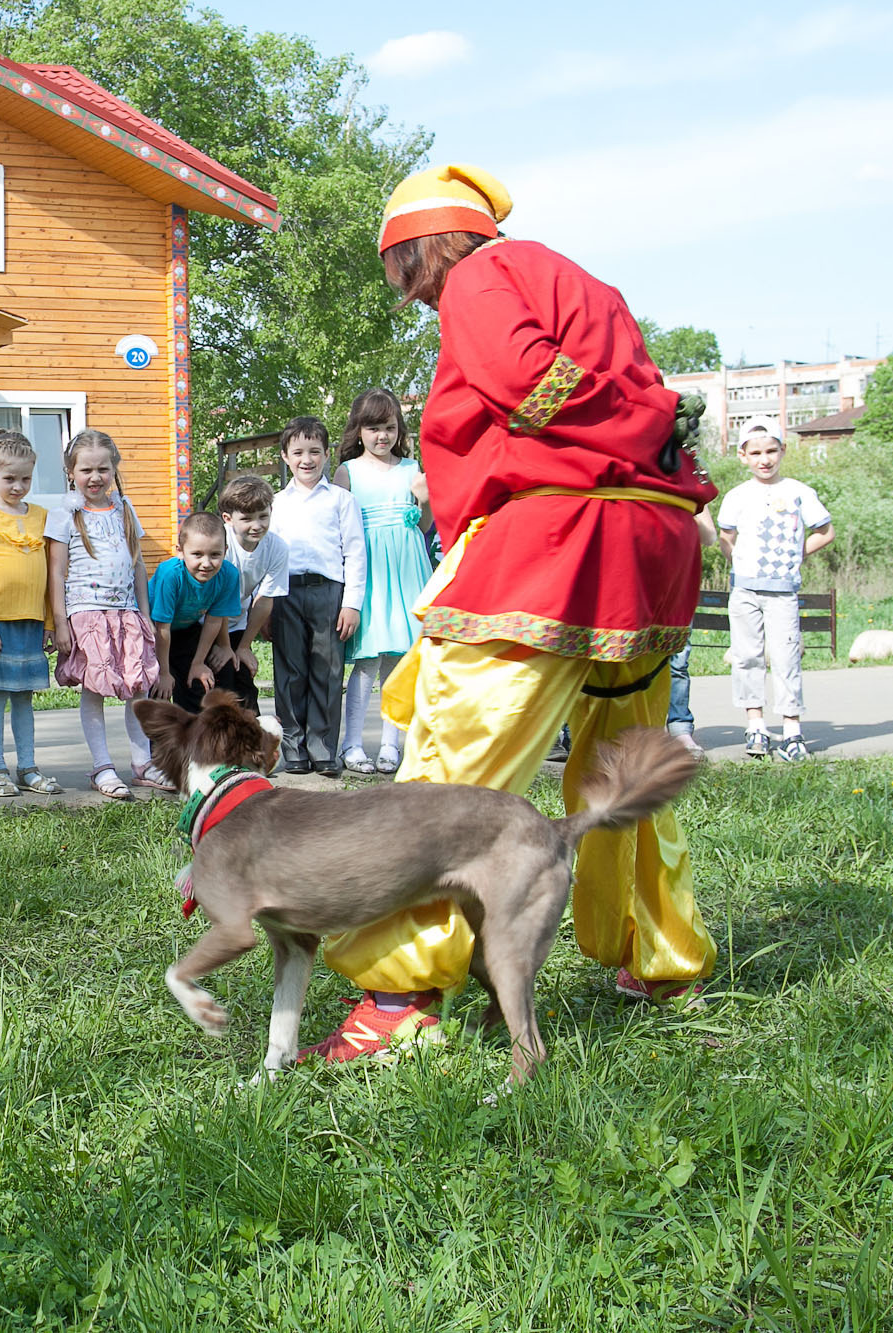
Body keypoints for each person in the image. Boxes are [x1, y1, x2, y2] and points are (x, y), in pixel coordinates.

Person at [308, 163, 720, 1063]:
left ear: (423, 252)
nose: (416, 299)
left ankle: (400, 996)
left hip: (557, 541)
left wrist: (634, 416)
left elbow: (527, 378)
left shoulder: (482, 276)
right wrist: (651, 422)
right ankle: (663, 955)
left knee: (455, 767)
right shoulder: (582, 281)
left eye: (404, 276)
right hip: (650, 537)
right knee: (623, 765)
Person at [45, 430, 161, 799]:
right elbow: (56, 572)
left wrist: (145, 616)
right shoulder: (65, 513)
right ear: (70, 471)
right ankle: (102, 766)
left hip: (126, 614)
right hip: (87, 615)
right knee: (95, 690)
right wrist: (60, 623)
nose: (95, 477)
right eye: (86, 470)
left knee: (138, 689)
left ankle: (143, 762)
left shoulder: (125, 509)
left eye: (103, 469)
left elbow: (138, 566)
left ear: (114, 469)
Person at [717, 419, 834, 762]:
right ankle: (755, 724)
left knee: (785, 657)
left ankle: (792, 731)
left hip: (782, 591)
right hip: (745, 591)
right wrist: (737, 562)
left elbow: (825, 532)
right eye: (756, 453)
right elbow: (726, 537)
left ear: (782, 451)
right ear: (743, 456)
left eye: (770, 451)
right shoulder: (738, 495)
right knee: (747, 655)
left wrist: (796, 556)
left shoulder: (799, 492)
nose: (764, 459)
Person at [334, 388, 433, 774]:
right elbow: (337, 530)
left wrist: (425, 501)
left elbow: (424, 527)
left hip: (408, 570)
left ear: (399, 429)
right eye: (373, 428)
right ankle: (352, 744)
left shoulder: (411, 469)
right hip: (369, 573)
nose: (381, 436)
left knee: (399, 661)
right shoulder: (348, 472)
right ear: (359, 431)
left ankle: (391, 744)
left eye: (389, 427)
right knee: (366, 661)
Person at [267, 416, 366, 777]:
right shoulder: (276, 503)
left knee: (326, 670)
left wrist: (351, 602)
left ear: (327, 454)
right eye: (298, 452)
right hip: (286, 592)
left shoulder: (341, 500)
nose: (306, 460)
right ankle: (294, 748)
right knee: (290, 671)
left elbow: (355, 552)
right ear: (285, 456)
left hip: (329, 592)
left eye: (314, 452)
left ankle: (323, 747)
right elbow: (269, 553)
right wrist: (264, 608)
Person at [0, 430, 62, 798]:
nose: (18, 486)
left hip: (32, 622)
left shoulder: (42, 516)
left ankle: (28, 766)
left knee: (24, 696)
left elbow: (52, 574)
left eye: (25, 478)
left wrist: (52, 623)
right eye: (10, 478)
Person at [147, 511, 239, 712]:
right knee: (158, 690)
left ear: (225, 550)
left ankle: (194, 734)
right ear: (180, 551)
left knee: (196, 683)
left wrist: (197, 663)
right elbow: (162, 629)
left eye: (215, 555)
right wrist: (163, 672)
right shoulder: (170, 575)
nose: (206, 563)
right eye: (197, 554)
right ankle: (155, 741)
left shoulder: (228, 574)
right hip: (150, 630)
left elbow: (214, 621)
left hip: (185, 629)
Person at [213, 474, 289, 714]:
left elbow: (264, 601)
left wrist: (243, 646)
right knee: (220, 680)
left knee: (244, 685)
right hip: (205, 622)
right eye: (246, 519)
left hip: (236, 623)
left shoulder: (276, 547)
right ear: (228, 519)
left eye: (263, 516)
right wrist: (224, 647)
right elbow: (217, 603)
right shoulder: (220, 544)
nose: (257, 525)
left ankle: (250, 747)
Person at [665, 506, 720, 759]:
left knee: (677, 663)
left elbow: (709, 537)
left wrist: (682, 509)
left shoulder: (687, 475)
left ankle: (679, 728)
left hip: (676, 584)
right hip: (636, 582)